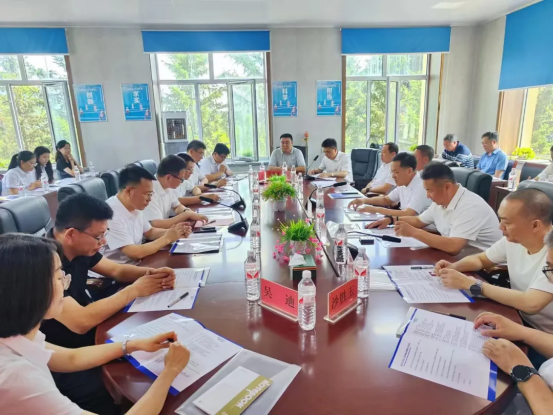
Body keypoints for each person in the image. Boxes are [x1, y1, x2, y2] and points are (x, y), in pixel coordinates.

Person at [0, 233, 191, 415]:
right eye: (59, 277)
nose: (66, 284)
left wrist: (133, 345)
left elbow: (70, 358)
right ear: (31, 291)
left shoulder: (17, 335)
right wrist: (170, 372)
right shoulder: (16, 377)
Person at [41, 193, 178, 412]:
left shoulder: (80, 247)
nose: (103, 242)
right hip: (63, 353)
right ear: (71, 234)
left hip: (90, 338)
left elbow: (116, 270)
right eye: (98, 237)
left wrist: (151, 273)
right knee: (135, 384)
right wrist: (134, 290)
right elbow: (80, 322)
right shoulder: (44, 264)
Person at [434, 188, 553, 335]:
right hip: (516, 317)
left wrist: (472, 284)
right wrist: (455, 266)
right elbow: (481, 259)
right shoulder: (514, 240)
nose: (500, 227)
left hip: (543, 335)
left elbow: (531, 303)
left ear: (535, 225)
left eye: (506, 222)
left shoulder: (551, 254)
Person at [370, 163, 502, 255]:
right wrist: (391, 219)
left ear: (447, 187)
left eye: (430, 190)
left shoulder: (470, 206)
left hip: (484, 271)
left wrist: (414, 232)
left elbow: (454, 246)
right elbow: (419, 221)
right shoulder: (441, 201)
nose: (427, 196)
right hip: (456, 260)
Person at [104, 165, 192, 263]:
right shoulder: (110, 214)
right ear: (129, 191)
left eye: (151, 194)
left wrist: (175, 232)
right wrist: (167, 238)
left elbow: (150, 232)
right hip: (121, 269)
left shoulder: (135, 206)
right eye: (147, 194)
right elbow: (134, 253)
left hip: (139, 263)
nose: (150, 199)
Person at [349, 153, 431, 218]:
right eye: (392, 172)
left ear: (409, 171)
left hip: (424, 230)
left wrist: (376, 209)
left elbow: (408, 214)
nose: (393, 176)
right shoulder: (403, 183)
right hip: (407, 224)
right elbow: (386, 199)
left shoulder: (421, 186)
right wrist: (363, 200)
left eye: (396, 172)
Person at [144, 155, 208, 229]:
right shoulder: (149, 191)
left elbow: (177, 206)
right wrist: (186, 215)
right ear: (168, 177)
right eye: (181, 179)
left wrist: (187, 211)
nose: (181, 182)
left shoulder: (167, 186)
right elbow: (156, 224)